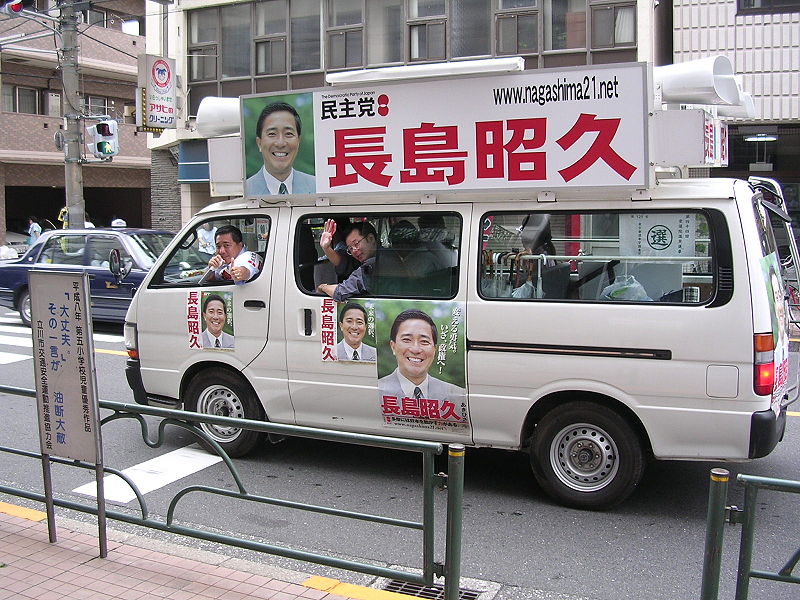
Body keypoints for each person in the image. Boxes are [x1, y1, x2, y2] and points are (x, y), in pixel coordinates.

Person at [377, 309, 465, 402]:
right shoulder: (374, 390)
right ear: (393, 346)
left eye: (424, 341)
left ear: (435, 350)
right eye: (407, 339)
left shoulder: (458, 396)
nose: (415, 350)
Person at [245, 101, 315, 196]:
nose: (280, 143)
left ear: (298, 141)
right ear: (259, 143)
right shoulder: (244, 192)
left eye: (288, 134)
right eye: (272, 134)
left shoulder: (317, 187)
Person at [317, 221, 378, 302]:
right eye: (350, 249)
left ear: (371, 238)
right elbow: (344, 263)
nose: (354, 251)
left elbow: (340, 292)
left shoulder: (372, 264)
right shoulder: (380, 256)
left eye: (356, 244)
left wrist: (322, 287)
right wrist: (326, 248)